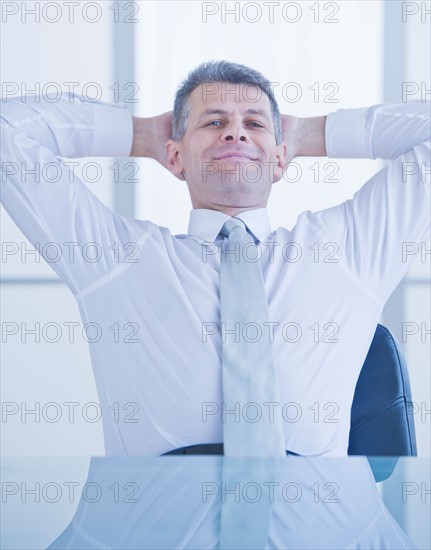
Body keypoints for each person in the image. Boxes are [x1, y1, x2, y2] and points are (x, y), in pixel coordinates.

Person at [1, 60, 429, 456]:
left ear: (280, 158)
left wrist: (309, 135)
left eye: (254, 124)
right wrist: (140, 135)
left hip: (320, 528)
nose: (235, 132)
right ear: (174, 155)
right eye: (214, 122)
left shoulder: (349, 250)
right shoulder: (116, 257)